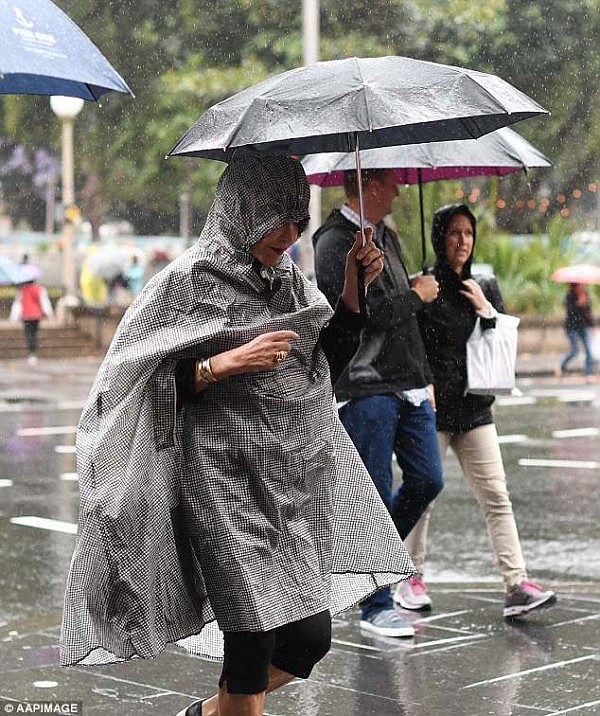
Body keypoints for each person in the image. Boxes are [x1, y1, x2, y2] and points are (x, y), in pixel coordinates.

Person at [59, 153, 415, 716]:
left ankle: (204, 713)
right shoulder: (184, 284)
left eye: (298, 220)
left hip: (284, 487)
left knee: (308, 640)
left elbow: (321, 366)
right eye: (277, 217)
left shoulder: (289, 284)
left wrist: (352, 289)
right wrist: (222, 364)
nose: (290, 234)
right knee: (250, 640)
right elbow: (125, 390)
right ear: (243, 209)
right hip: (217, 486)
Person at [401, 203, 557, 618]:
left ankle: (516, 585)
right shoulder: (425, 286)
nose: (462, 241)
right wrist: (423, 377)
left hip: (475, 410)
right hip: (433, 412)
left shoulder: (483, 284)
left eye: (468, 233)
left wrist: (487, 310)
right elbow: (409, 344)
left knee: (497, 496)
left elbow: (502, 342)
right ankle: (410, 579)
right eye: (453, 232)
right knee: (423, 495)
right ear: (439, 237)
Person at [313, 168, 443, 637]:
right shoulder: (334, 242)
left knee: (428, 478)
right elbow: (351, 318)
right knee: (375, 486)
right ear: (369, 186)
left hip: (406, 381)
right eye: (391, 183)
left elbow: (403, 322)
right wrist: (414, 296)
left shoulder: (386, 235)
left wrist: (424, 375)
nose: (400, 190)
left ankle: (377, 562)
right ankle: (375, 603)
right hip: (366, 384)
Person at [555, 283, 595, 382]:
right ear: (575, 286)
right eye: (579, 285)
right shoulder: (570, 296)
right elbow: (570, 313)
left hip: (583, 326)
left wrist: (592, 326)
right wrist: (579, 304)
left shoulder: (585, 294)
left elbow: (588, 313)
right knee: (575, 350)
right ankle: (560, 367)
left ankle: (588, 373)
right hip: (571, 327)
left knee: (588, 350)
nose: (582, 287)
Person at [10, 277, 53, 365]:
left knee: (29, 333)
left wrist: (13, 317)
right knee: (34, 333)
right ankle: (33, 353)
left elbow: (18, 304)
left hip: (27, 316)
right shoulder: (39, 289)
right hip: (36, 315)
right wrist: (49, 314)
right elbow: (44, 302)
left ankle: (31, 353)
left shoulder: (22, 290)